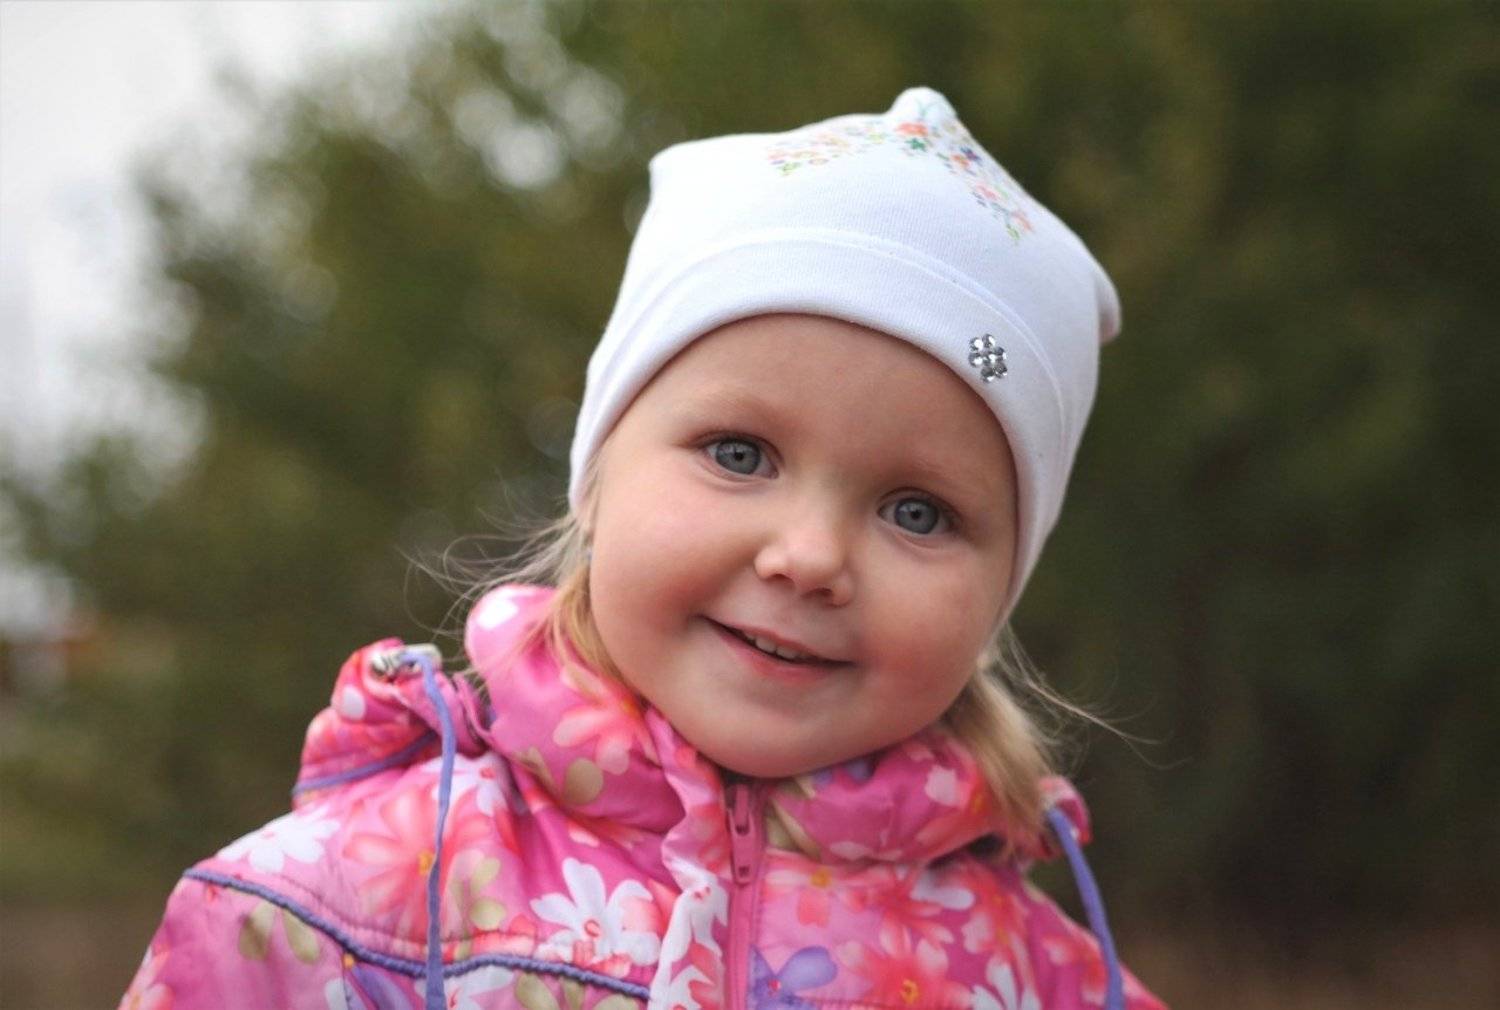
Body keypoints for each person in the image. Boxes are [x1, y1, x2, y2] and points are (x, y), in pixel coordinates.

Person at [122, 87, 1167, 1010]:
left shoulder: (1047, 981)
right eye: (740, 453)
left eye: (919, 512)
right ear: (596, 475)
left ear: (1001, 589)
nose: (809, 556)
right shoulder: (325, 916)